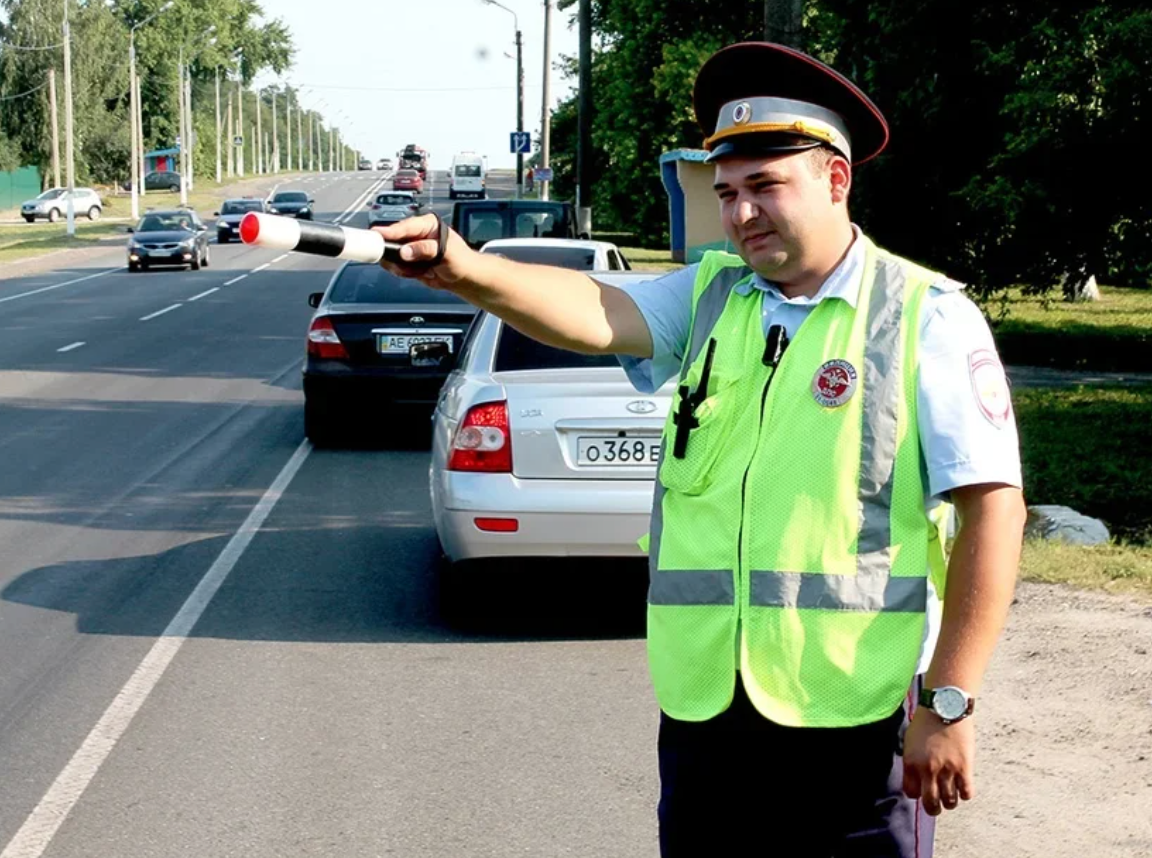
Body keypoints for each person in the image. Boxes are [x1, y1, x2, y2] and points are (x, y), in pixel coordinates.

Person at [376, 41, 1026, 858]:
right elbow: (591, 309)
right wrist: (467, 269)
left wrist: (950, 699)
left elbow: (994, 510)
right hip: (708, 715)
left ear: (836, 180)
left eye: (765, 187)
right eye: (727, 193)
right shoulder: (717, 294)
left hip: (858, 722)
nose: (742, 214)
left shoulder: (924, 314)